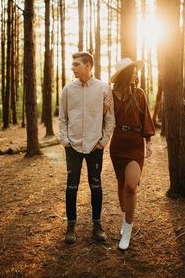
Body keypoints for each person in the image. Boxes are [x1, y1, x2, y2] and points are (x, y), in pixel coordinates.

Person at [59, 52, 115, 244]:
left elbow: (110, 119)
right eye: (72, 64)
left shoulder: (103, 88)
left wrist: (103, 142)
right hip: (73, 146)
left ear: (88, 65)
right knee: (71, 186)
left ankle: (97, 224)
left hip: (95, 147)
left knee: (96, 185)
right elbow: (63, 118)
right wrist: (66, 141)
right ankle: (71, 225)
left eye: (76, 64)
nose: (72, 68)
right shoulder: (67, 90)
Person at [109, 57, 155, 250]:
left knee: (131, 186)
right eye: (134, 71)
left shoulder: (139, 94)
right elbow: (105, 120)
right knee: (121, 185)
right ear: (126, 74)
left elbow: (146, 118)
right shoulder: (110, 95)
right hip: (117, 145)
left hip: (135, 145)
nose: (137, 74)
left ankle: (127, 231)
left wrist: (148, 142)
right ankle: (124, 218)